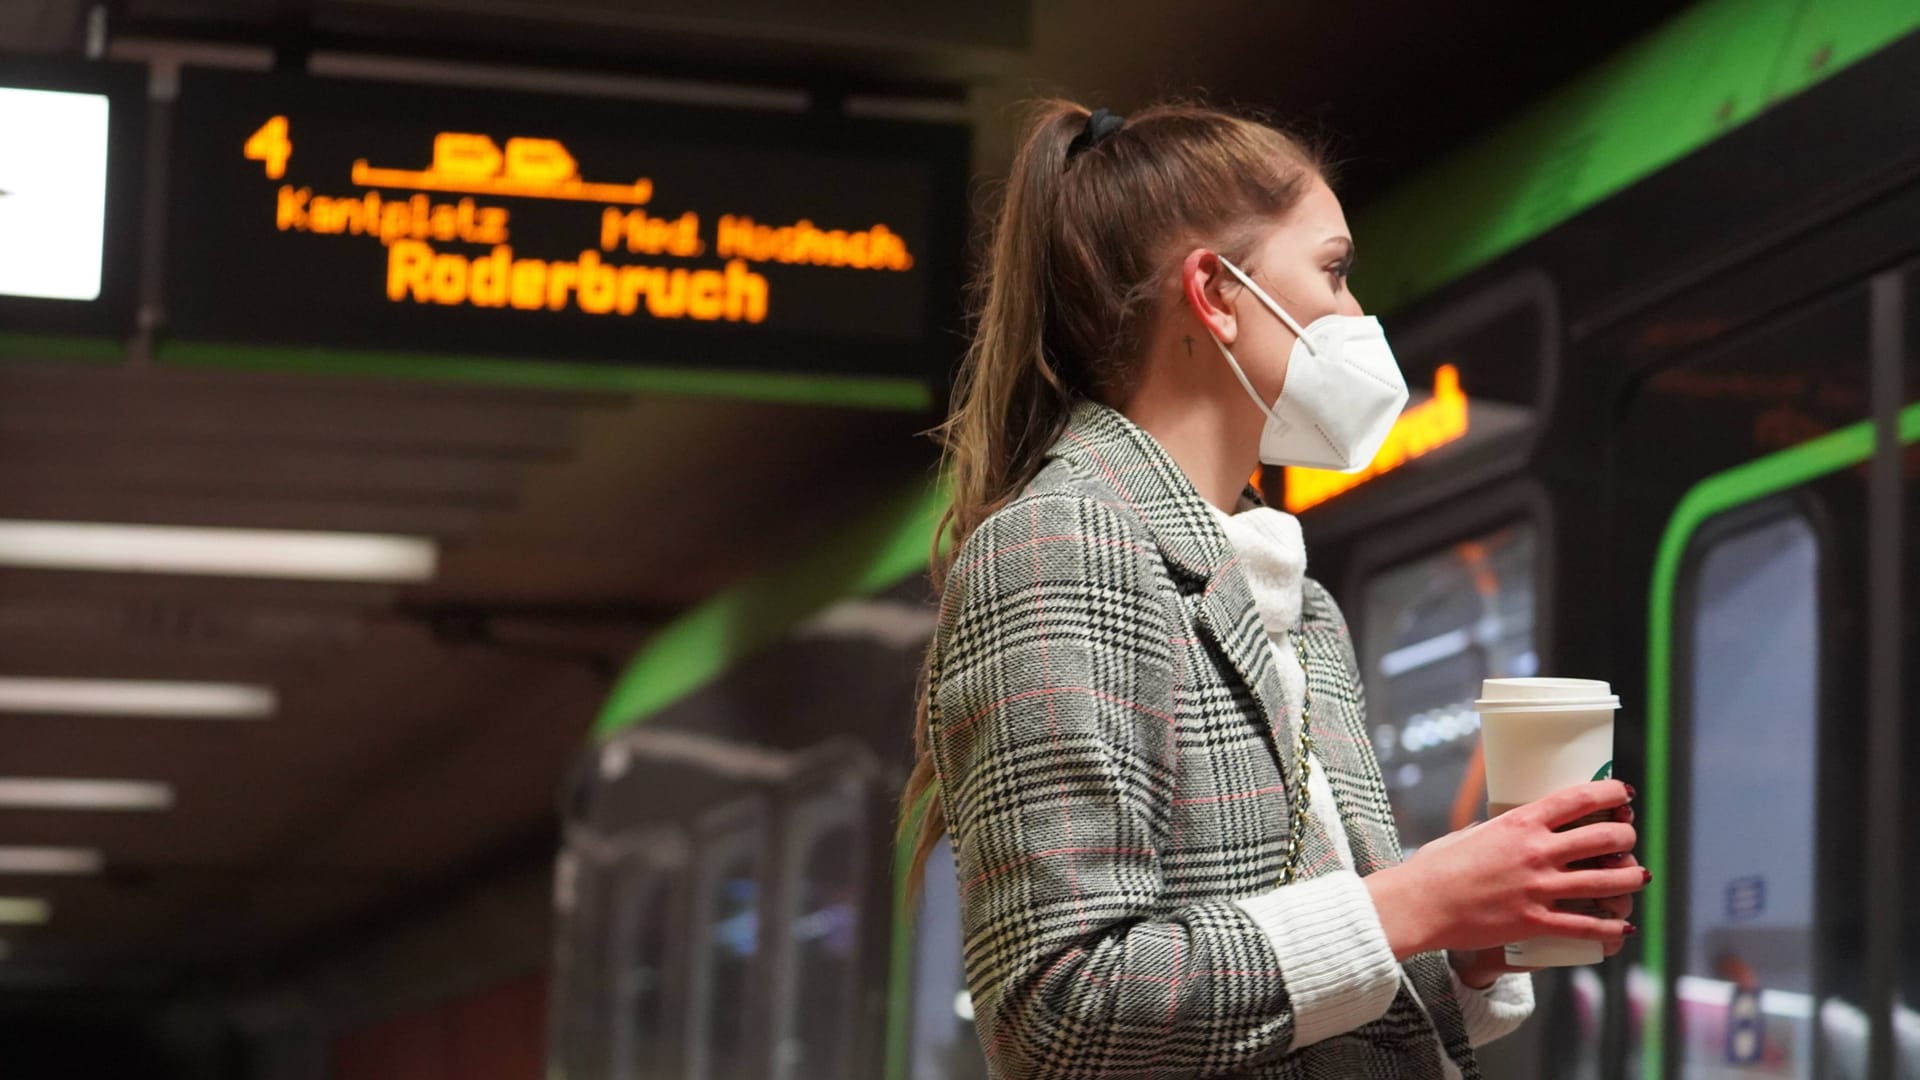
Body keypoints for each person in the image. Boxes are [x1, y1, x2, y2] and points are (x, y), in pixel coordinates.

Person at [897, 101, 1645, 1079]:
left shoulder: (1294, 599)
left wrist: (1463, 942)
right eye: (1333, 271)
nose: (1355, 315)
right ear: (1215, 290)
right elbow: (1058, 1012)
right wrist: (1414, 901)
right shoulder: (1059, 542)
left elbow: (1322, 983)